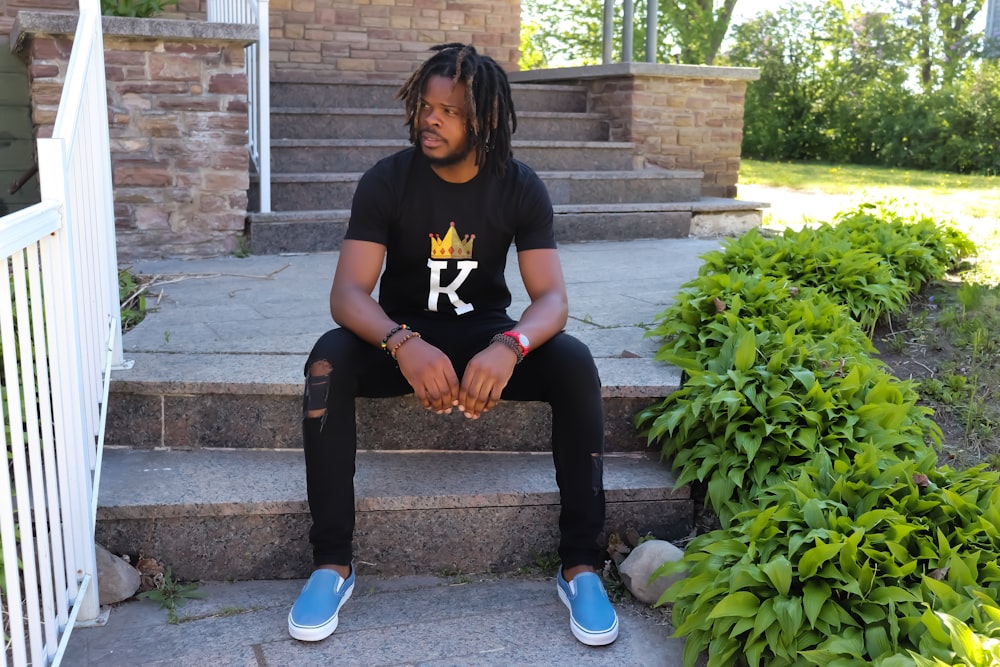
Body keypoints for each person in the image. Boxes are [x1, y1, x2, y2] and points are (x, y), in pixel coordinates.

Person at [287, 43, 619, 648]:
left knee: (573, 360)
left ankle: (581, 567)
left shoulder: (518, 185)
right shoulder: (388, 179)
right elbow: (348, 294)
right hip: (405, 341)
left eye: (449, 111)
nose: (429, 119)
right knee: (328, 357)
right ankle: (331, 564)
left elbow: (552, 300)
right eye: (425, 106)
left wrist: (512, 345)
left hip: (484, 341)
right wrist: (401, 341)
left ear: (484, 120)